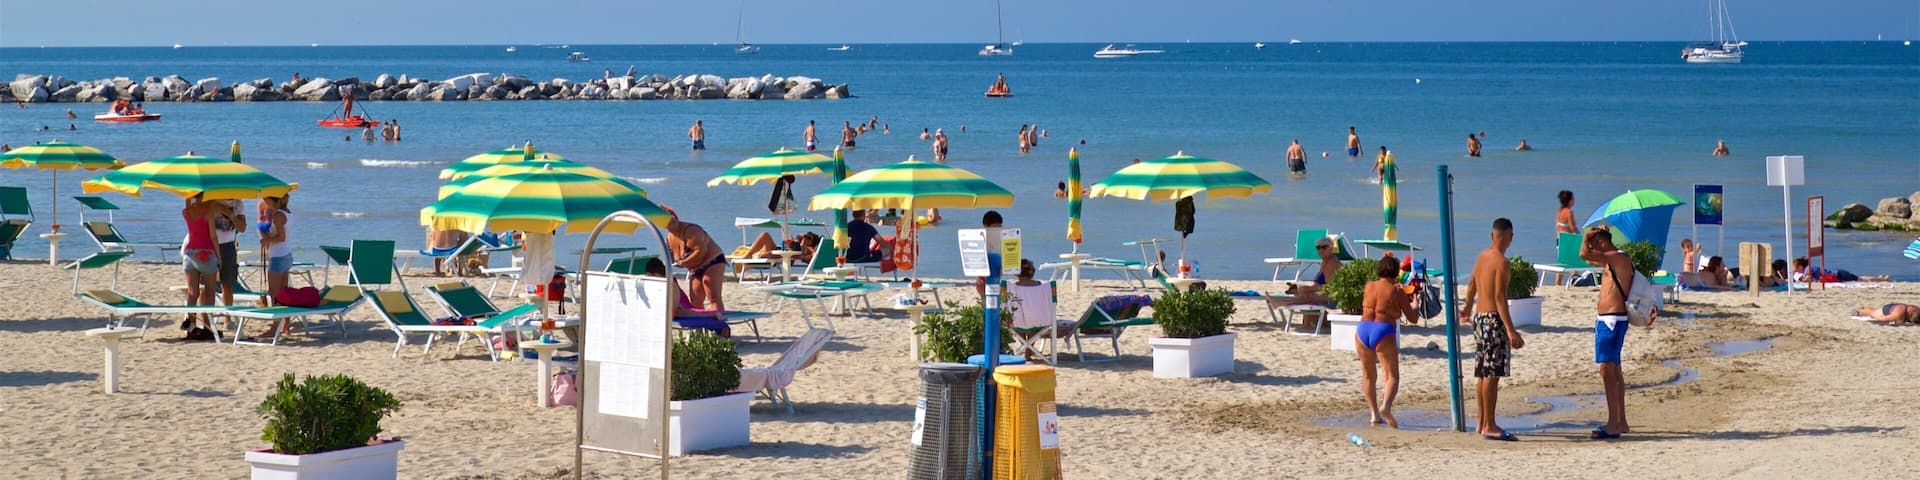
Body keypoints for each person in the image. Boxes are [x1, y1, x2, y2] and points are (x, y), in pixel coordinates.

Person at [1461, 218, 1523, 441]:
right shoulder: (1502, 262)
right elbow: (1499, 298)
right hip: (1493, 320)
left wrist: (1467, 308)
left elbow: (1471, 285)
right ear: (1509, 238)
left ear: (1492, 236)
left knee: (1483, 372)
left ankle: (1481, 422)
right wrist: (1511, 330)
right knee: (1492, 375)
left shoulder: (1482, 257)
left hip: (1480, 319)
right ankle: (1490, 424)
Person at [1579, 226, 1635, 440]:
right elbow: (1589, 260)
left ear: (1602, 243)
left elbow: (1584, 254)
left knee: (1607, 371)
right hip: (1611, 320)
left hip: (1611, 321)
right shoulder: (1612, 260)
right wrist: (1594, 237)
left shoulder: (1617, 257)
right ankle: (1621, 421)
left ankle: (1613, 424)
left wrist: (1586, 236)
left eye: (1596, 244)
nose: (1593, 249)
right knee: (1615, 371)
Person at [1358, 254, 1418, 428]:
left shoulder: (1369, 286)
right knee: (1392, 375)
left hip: (1363, 329)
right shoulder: (1397, 291)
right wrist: (1415, 305)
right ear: (1396, 272)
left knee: (1368, 375)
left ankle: (1374, 414)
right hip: (1383, 330)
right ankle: (1386, 406)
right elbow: (1413, 318)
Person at [665, 208, 727, 312]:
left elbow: (701, 250)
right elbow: (672, 259)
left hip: (712, 261)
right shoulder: (669, 239)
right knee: (695, 300)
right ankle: (701, 322)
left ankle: (720, 321)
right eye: (667, 219)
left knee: (713, 297)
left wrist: (685, 262)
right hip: (695, 268)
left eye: (673, 217)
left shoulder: (691, 230)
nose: (672, 220)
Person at [180, 195, 222, 335]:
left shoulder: (187, 212)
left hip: (189, 254)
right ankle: (208, 327)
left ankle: (191, 328)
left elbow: (187, 204)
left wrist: (188, 196)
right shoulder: (208, 212)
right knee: (210, 291)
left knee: (192, 293)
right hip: (206, 253)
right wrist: (219, 257)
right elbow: (213, 237)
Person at [1285, 237, 1342, 307]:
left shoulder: (1332, 263)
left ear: (1331, 248)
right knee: (1301, 292)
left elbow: (1330, 288)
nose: (1321, 250)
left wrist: (1308, 288)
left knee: (1303, 296)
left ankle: (1282, 302)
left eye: (1324, 247)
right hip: (1325, 295)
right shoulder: (1325, 261)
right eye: (1318, 247)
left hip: (1332, 298)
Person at [212, 193, 245, 311]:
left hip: (228, 246)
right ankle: (207, 316)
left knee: (227, 284)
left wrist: (230, 215)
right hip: (210, 245)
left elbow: (242, 228)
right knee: (207, 285)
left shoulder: (237, 203)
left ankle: (228, 316)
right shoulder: (212, 200)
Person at [972, 211, 1005, 299]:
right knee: (985, 298)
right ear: (986, 226)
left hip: (996, 273)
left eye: (999, 227)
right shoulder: (981, 238)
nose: (997, 230)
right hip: (984, 275)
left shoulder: (1001, 236)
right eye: (995, 228)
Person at [1792, 257, 1889, 283]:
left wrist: (1801, 279)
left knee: (1860, 279)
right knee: (1859, 278)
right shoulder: (1808, 268)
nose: (1795, 271)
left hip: (1838, 275)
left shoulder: (1807, 269)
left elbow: (1808, 278)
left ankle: (1882, 279)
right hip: (1837, 273)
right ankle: (1880, 278)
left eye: (1795, 268)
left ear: (1800, 266)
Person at [1855, 303, 1919, 324]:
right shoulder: (1899, 315)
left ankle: (1864, 308)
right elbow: (1882, 318)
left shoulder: (1917, 309)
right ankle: (1859, 311)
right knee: (1873, 313)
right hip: (1888, 309)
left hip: (1899, 306)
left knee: (1875, 311)